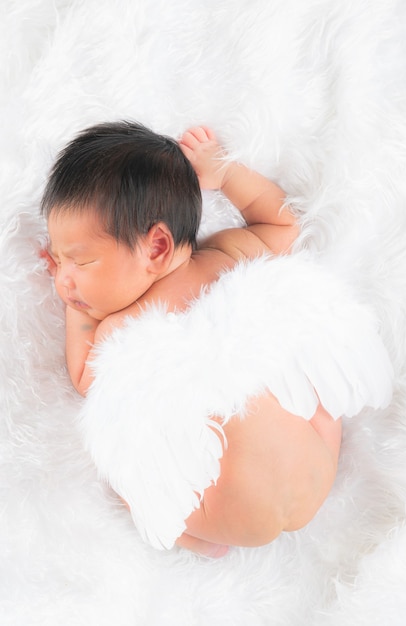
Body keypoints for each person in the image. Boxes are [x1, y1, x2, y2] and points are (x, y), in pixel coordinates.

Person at [41, 121, 342, 558]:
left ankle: (199, 540)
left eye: (79, 261)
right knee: (314, 395)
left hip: (230, 518)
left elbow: (85, 378)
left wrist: (79, 312)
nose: (62, 280)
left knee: (131, 482)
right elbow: (283, 225)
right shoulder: (227, 256)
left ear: (157, 247)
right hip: (319, 462)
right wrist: (224, 174)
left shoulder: (119, 329)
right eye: (58, 260)